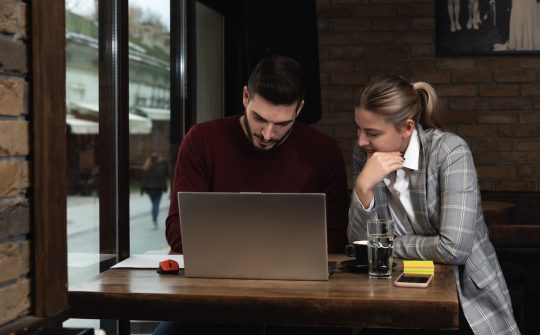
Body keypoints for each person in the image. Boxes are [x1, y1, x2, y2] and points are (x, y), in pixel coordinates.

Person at [157, 55, 350, 335]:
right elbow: (177, 232)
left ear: (300, 109)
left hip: (300, 297)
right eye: (259, 118)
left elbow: (335, 238)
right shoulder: (201, 140)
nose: (268, 134)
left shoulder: (323, 151)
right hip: (213, 296)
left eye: (282, 123)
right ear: (245, 97)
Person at [348, 75, 520, 335]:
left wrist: (386, 245)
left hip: (464, 292)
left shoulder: (449, 152)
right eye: (358, 129)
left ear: (407, 128)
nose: (361, 141)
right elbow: (359, 244)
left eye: (372, 133)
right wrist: (363, 187)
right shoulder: (366, 155)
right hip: (395, 288)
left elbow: (454, 250)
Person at [141, 152, 168, 229]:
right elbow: (163, 179)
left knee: (154, 204)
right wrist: (165, 188)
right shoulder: (160, 167)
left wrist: (142, 189)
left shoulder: (147, 166)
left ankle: (154, 218)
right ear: (157, 159)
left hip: (149, 190)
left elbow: (144, 180)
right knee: (156, 205)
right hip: (158, 189)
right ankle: (154, 219)